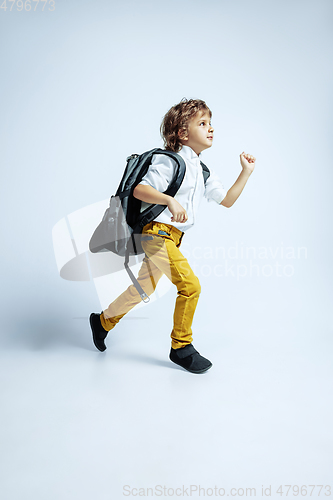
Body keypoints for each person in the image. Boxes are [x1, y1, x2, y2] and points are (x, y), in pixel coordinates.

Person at [89, 98, 256, 374]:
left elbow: (226, 200)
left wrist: (245, 173)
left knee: (143, 289)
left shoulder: (202, 171)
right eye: (203, 123)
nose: (211, 128)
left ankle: (102, 322)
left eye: (211, 123)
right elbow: (140, 190)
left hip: (172, 239)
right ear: (182, 133)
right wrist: (169, 200)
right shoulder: (169, 161)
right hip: (157, 235)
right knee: (190, 286)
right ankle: (181, 347)